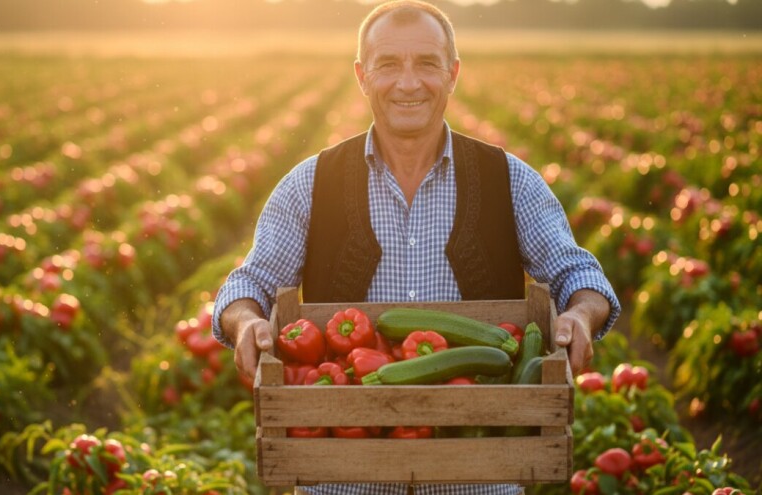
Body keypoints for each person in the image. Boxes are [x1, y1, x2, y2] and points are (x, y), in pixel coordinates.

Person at [213, 1, 621, 494]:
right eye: (388, 65)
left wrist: (581, 314)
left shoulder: (509, 180)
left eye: (426, 63)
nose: (408, 83)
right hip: (344, 479)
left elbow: (578, 274)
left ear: (453, 74)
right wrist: (246, 321)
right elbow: (248, 284)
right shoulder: (309, 185)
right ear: (362, 77)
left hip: (477, 479)